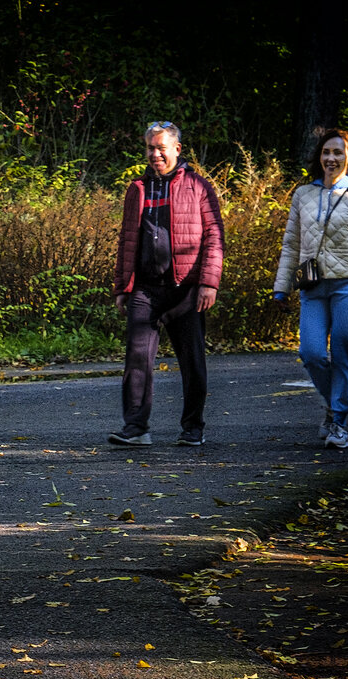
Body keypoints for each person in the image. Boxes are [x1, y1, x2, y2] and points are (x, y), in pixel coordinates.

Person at [110, 121, 225, 447]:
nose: (155, 153)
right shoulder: (137, 189)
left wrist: (208, 283)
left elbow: (215, 237)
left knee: (191, 359)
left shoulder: (198, 187)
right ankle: (136, 427)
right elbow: (127, 240)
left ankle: (193, 427)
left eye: (161, 147)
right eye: (150, 148)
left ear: (177, 149)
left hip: (186, 289)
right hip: (146, 288)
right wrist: (122, 286)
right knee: (137, 356)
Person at [273, 129, 348, 449]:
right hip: (312, 285)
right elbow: (291, 244)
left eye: (338, 153)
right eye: (326, 152)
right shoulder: (302, 195)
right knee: (310, 353)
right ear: (319, 157)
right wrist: (281, 288)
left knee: (342, 353)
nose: (331, 158)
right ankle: (333, 403)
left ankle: (338, 421)